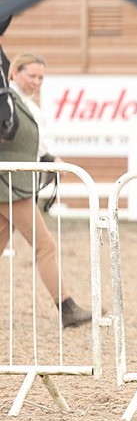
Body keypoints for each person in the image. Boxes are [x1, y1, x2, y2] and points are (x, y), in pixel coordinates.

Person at [0, 53, 92, 328]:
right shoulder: (7, 102)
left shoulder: (24, 104)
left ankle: (67, 308)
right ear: (14, 73)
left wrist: (51, 160)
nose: (37, 82)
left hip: (14, 185)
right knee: (45, 245)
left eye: (41, 78)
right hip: (10, 187)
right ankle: (66, 307)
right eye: (32, 76)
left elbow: (31, 146)